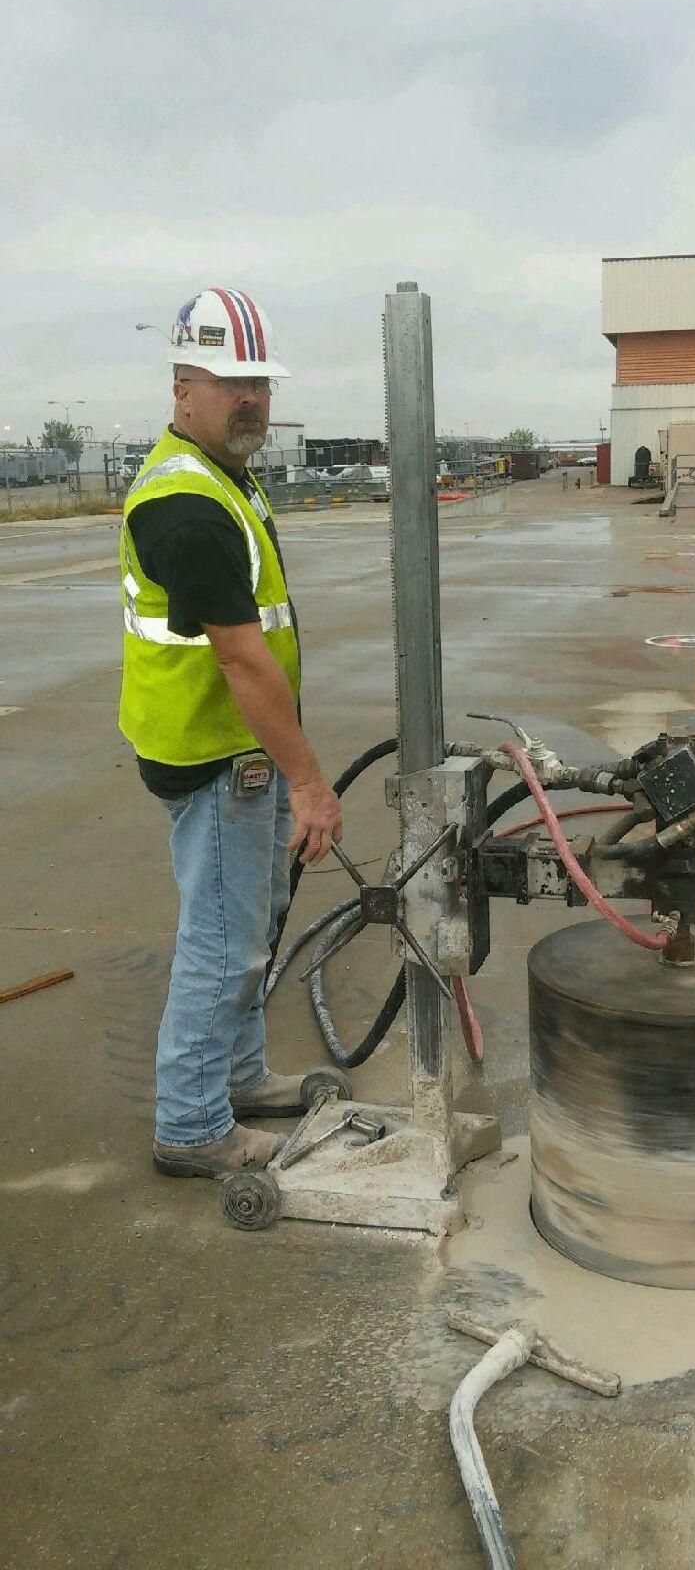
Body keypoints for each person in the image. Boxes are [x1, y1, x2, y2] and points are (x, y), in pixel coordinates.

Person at [119, 288, 342, 1179]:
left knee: (249, 923)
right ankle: (191, 1123)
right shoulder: (187, 503)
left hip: (225, 745)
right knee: (221, 940)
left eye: (258, 382)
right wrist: (308, 781)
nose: (248, 398)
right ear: (182, 388)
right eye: (227, 381)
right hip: (210, 752)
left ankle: (240, 1077)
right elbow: (243, 660)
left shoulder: (223, 475)